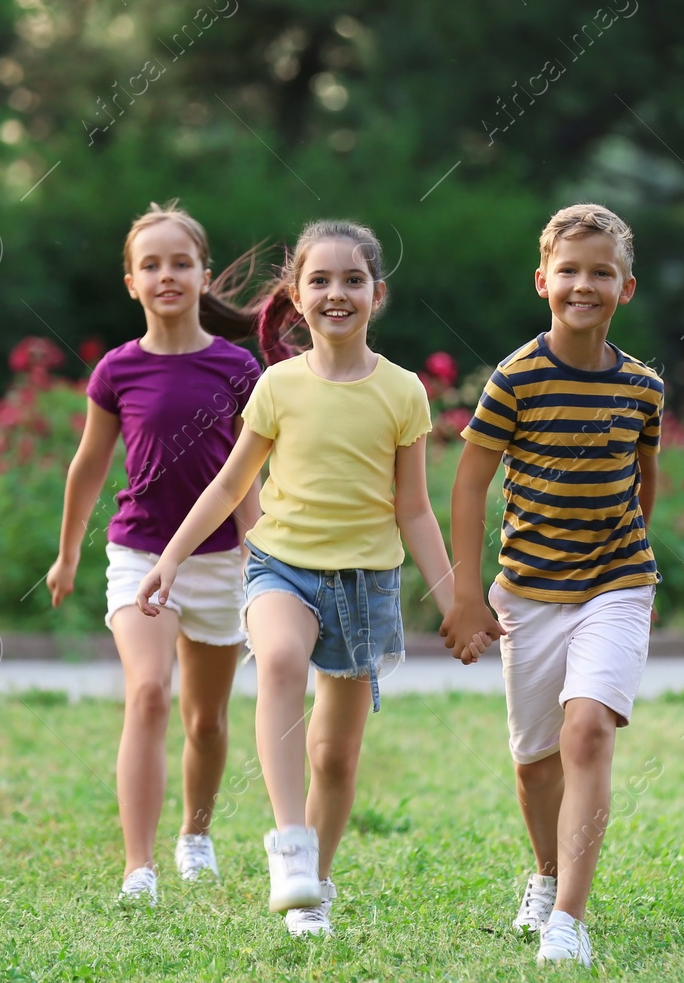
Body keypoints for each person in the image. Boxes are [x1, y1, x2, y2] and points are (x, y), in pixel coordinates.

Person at [133, 220, 454, 938]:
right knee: (277, 660)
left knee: (334, 758)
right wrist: (172, 557)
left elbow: (416, 509)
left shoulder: (404, 392)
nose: (336, 293)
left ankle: (314, 887)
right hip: (281, 566)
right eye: (321, 280)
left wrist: (454, 598)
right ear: (297, 297)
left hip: (364, 584)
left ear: (377, 292)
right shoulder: (277, 385)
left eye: (352, 280)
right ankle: (289, 844)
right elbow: (225, 487)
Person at [441, 203, 663, 967]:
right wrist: (467, 594)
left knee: (587, 730)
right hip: (527, 592)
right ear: (543, 281)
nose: (584, 284)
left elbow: (645, 480)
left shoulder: (642, 387)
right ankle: (543, 872)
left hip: (618, 582)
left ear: (626, 286)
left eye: (601, 272)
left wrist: (630, 558)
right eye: (569, 270)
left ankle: (568, 917)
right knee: (536, 761)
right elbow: (470, 487)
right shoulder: (516, 378)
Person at [46, 200, 263, 907]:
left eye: (180, 262)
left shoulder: (239, 366)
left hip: (222, 561)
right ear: (132, 282)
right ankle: (139, 865)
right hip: (139, 554)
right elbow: (86, 466)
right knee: (146, 693)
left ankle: (194, 834)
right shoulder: (117, 370)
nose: (166, 274)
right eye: (151, 264)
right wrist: (68, 554)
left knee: (206, 719)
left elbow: (249, 476)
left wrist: (262, 563)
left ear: (203, 273)